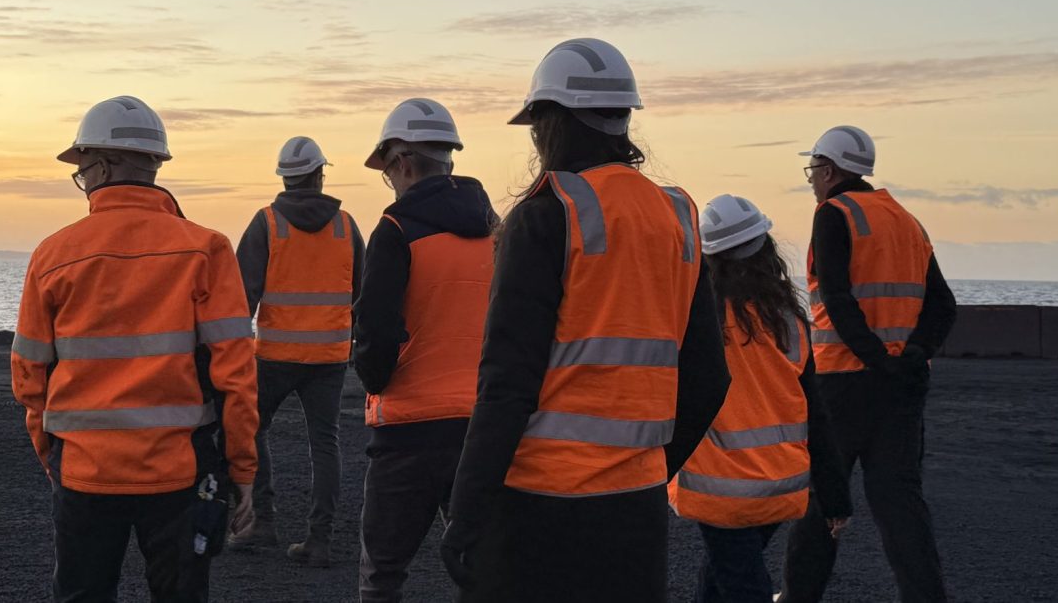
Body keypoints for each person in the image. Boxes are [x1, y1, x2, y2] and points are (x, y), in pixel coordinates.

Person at [441, 38, 731, 603]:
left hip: (539, 505)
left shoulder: (546, 214)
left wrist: (466, 514)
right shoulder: (677, 216)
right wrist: (651, 466)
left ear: (550, 121)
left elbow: (506, 385)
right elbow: (708, 378)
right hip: (636, 507)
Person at [12, 95, 259, 603]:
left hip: (84, 472)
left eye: (82, 171)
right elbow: (236, 374)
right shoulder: (206, 248)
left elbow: (29, 376)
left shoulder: (53, 254)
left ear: (100, 166)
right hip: (177, 474)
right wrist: (243, 470)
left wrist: (52, 456)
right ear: (154, 165)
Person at [779, 127, 956, 603]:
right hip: (903, 387)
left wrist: (876, 359)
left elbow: (837, 299)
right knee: (900, 501)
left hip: (842, 380)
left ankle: (800, 597)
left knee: (826, 496)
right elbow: (943, 304)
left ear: (830, 170)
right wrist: (913, 355)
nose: (812, 179)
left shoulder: (833, 214)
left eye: (813, 169)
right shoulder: (906, 220)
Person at [667, 194, 852, 602]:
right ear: (766, 248)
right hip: (782, 484)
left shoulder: (698, 320)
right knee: (725, 573)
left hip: (719, 487)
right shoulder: (789, 321)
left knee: (741, 582)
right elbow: (814, 413)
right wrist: (835, 495)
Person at [352, 99, 496, 603]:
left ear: (403, 161)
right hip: (483, 426)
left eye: (387, 170)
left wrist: (373, 379)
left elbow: (375, 334)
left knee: (383, 573)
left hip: (409, 430)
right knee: (481, 570)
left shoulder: (395, 231)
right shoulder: (498, 233)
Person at [228, 136, 364, 567]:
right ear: (320, 174)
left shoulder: (266, 223)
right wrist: (351, 339)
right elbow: (364, 292)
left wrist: (227, 354)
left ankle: (260, 523)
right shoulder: (345, 225)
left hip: (274, 355)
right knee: (325, 444)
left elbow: (241, 298)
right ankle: (319, 539)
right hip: (330, 358)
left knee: (252, 430)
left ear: (285, 178)